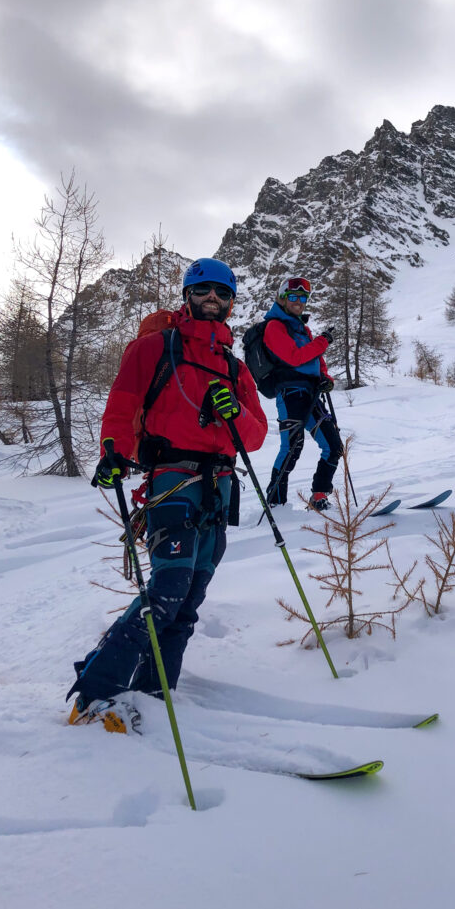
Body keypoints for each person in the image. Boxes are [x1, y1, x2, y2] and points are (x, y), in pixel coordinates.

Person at [67, 258, 267, 732]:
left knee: (192, 593)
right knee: (168, 587)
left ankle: (157, 692)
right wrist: (112, 451)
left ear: (231, 301)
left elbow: (255, 435)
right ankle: (95, 692)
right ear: (188, 295)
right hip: (172, 478)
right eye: (204, 290)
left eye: (222, 292)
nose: (212, 298)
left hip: (219, 484)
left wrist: (234, 411)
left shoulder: (234, 367)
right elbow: (122, 402)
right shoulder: (155, 347)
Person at [263, 275, 342, 512]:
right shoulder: (274, 326)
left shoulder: (302, 329)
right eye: (294, 297)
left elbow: (316, 359)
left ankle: (319, 496)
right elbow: (295, 357)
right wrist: (323, 341)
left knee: (334, 445)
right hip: (290, 394)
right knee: (292, 448)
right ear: (283, 298)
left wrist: (325, 378)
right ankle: (276, 502)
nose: (299, 302)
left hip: (311, 393)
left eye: (303, 298)